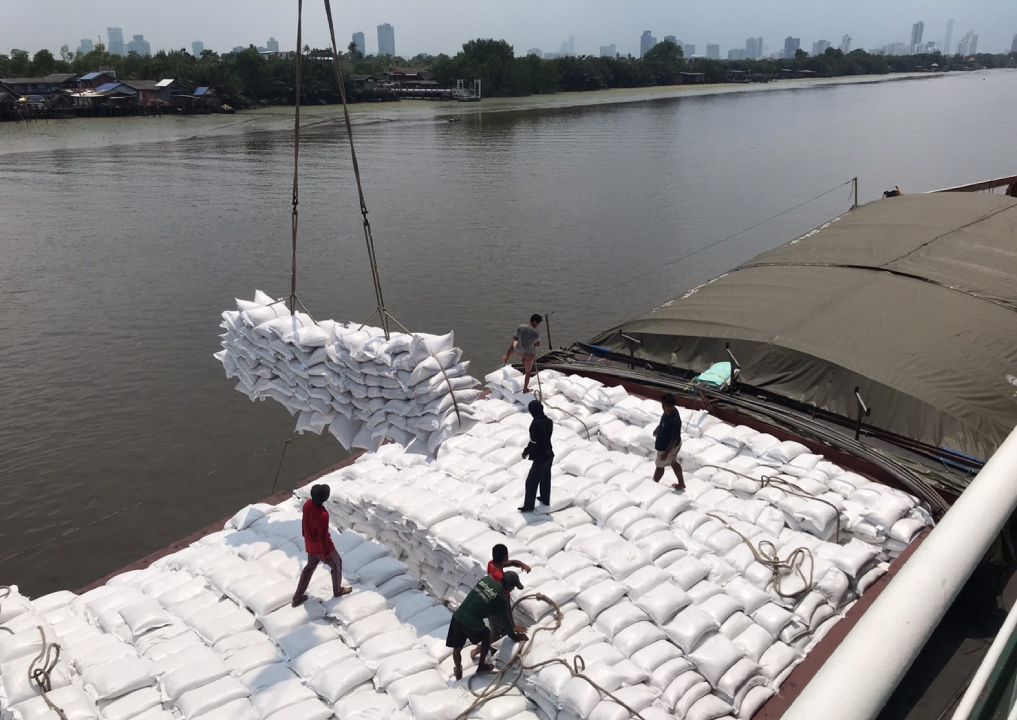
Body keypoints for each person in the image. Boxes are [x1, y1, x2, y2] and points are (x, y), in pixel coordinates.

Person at [447, 571, 528, 680]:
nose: (513, 589)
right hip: (471, 622)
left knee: (457, 648)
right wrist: (515, 637)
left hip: (458, 616)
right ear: (508, 585)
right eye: (513, 587)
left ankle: (458, 669)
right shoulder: (502, 599)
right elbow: (506, 623)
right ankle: (481, 666)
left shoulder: (486, 580)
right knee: (487, 635)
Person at [292, 484, 351, 606]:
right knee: (337, 564)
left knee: (309, 568)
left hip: (310, 545)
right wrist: (326, 553)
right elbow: (322, 537)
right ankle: (338, 590)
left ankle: (297, 596)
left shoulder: (307, 504)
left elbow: (304, 523)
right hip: (321, 548)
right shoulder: (323, 515)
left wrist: (305, 535)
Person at [471, 544, 531, 661]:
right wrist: (513, 626)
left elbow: (510, 563)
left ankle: (489, 654)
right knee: (503, 635)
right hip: (497, 609)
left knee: (495, 634)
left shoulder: (491, 564)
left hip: (490, 604)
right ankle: (482, 651)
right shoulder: (500, 579)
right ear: (504, 557)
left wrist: (521, 564)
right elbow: (506, 604)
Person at [518, 400, 554, 512]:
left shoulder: (536, 423)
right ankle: (545, 498)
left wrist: (525, 452)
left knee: (531, 482)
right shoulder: (549, 421)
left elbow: (533, 441)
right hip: (549, 454)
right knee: (545, 478)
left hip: (540, 456)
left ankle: (529, 506)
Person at [652, 393, 685, 490]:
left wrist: (666, 453)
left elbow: (674, 439)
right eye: (664, 406)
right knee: (673, 463)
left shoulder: (675, 421)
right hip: (667, 443)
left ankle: (653, 484)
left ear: (672, 406)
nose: (666, 408)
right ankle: (681, 484)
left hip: (669, 446)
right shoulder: (666, 412)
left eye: (668, 406)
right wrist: (658, 428)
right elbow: (663, 421)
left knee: (659, 466)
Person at [503, 314, 543, 394]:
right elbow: (537, 344)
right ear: (535, 322)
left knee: (513, 343)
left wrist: (522, 341)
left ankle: (506, 358)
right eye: (538, 323)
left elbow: (514, 338)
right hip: (529, 355)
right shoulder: (536, 332)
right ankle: (525, 389)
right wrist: (531, 343)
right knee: (528, 372)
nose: (538, 325)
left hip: (519, 351)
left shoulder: (520, 327)